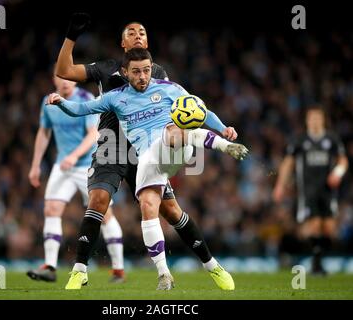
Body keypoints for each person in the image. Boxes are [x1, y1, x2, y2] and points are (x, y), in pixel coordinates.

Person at [48, 48, 249, 290]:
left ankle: (226, 146)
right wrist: (62, 103)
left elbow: (199, 110)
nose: (142, 76)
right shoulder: (116, 97)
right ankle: (166, 274)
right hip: (148, 161)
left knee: (174, 131)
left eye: (146, 70)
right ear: (125, 72)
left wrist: (223, 127)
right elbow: (84, 109)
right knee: (149, 207)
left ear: (151, 68)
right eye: (136, 72)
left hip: (174, 147)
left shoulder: (168, 88)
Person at [26, 73, 124, 282]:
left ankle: (118, 270)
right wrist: (35, 165)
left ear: (74, 79)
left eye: (67, 76)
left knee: (105, 215)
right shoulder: (48, 102)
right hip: (63, 165)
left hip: (87, 165)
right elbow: (44, 133)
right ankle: (50, 266)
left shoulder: (85, 99)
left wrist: (74, 156)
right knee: (51, 209)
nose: (64, 81)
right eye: (59, 77)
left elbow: (93, 134)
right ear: (54, 80)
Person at [273, 105, 348, 275]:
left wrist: (338, 172)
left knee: (329, 229)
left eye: (317, 118)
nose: (314, 121)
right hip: (308, 191)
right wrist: (280, 185)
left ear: (322, 120)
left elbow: (343, 161)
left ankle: (317, 257)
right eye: (311, 118)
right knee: (314, 224)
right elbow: (288, 163)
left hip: (328, 190)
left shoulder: (332, 139)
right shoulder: (300, 140)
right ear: (307, 121)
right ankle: (317, 265)